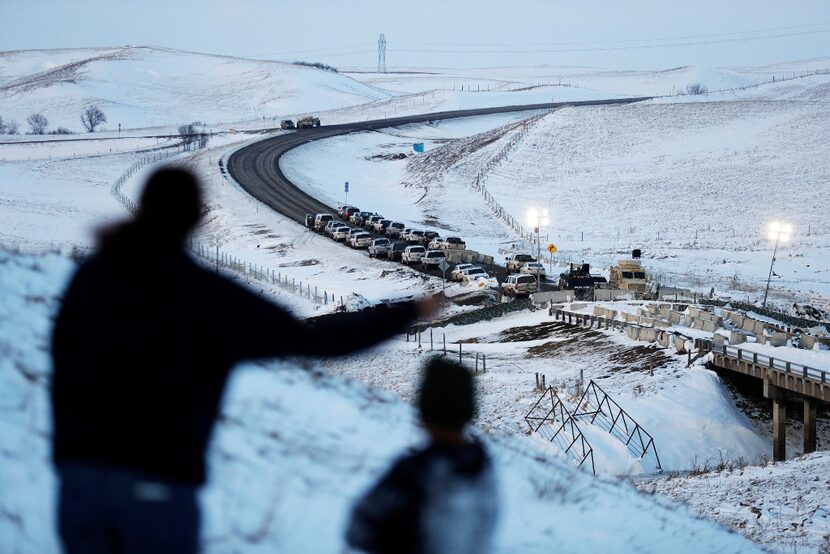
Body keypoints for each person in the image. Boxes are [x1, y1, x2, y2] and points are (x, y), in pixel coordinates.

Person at [51, 167, 436, 554]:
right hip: (157, 482)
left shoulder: (90, 278)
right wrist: (407, 312)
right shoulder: (202, 296)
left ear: (142, 209)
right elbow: (314, 341)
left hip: (80, 481)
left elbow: (60, 366)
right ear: (195, 219)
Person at [346, 358, 498, 554]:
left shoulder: (411, 474)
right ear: (469, 412)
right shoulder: (483, 466)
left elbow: (357, 530)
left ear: (424, 413)